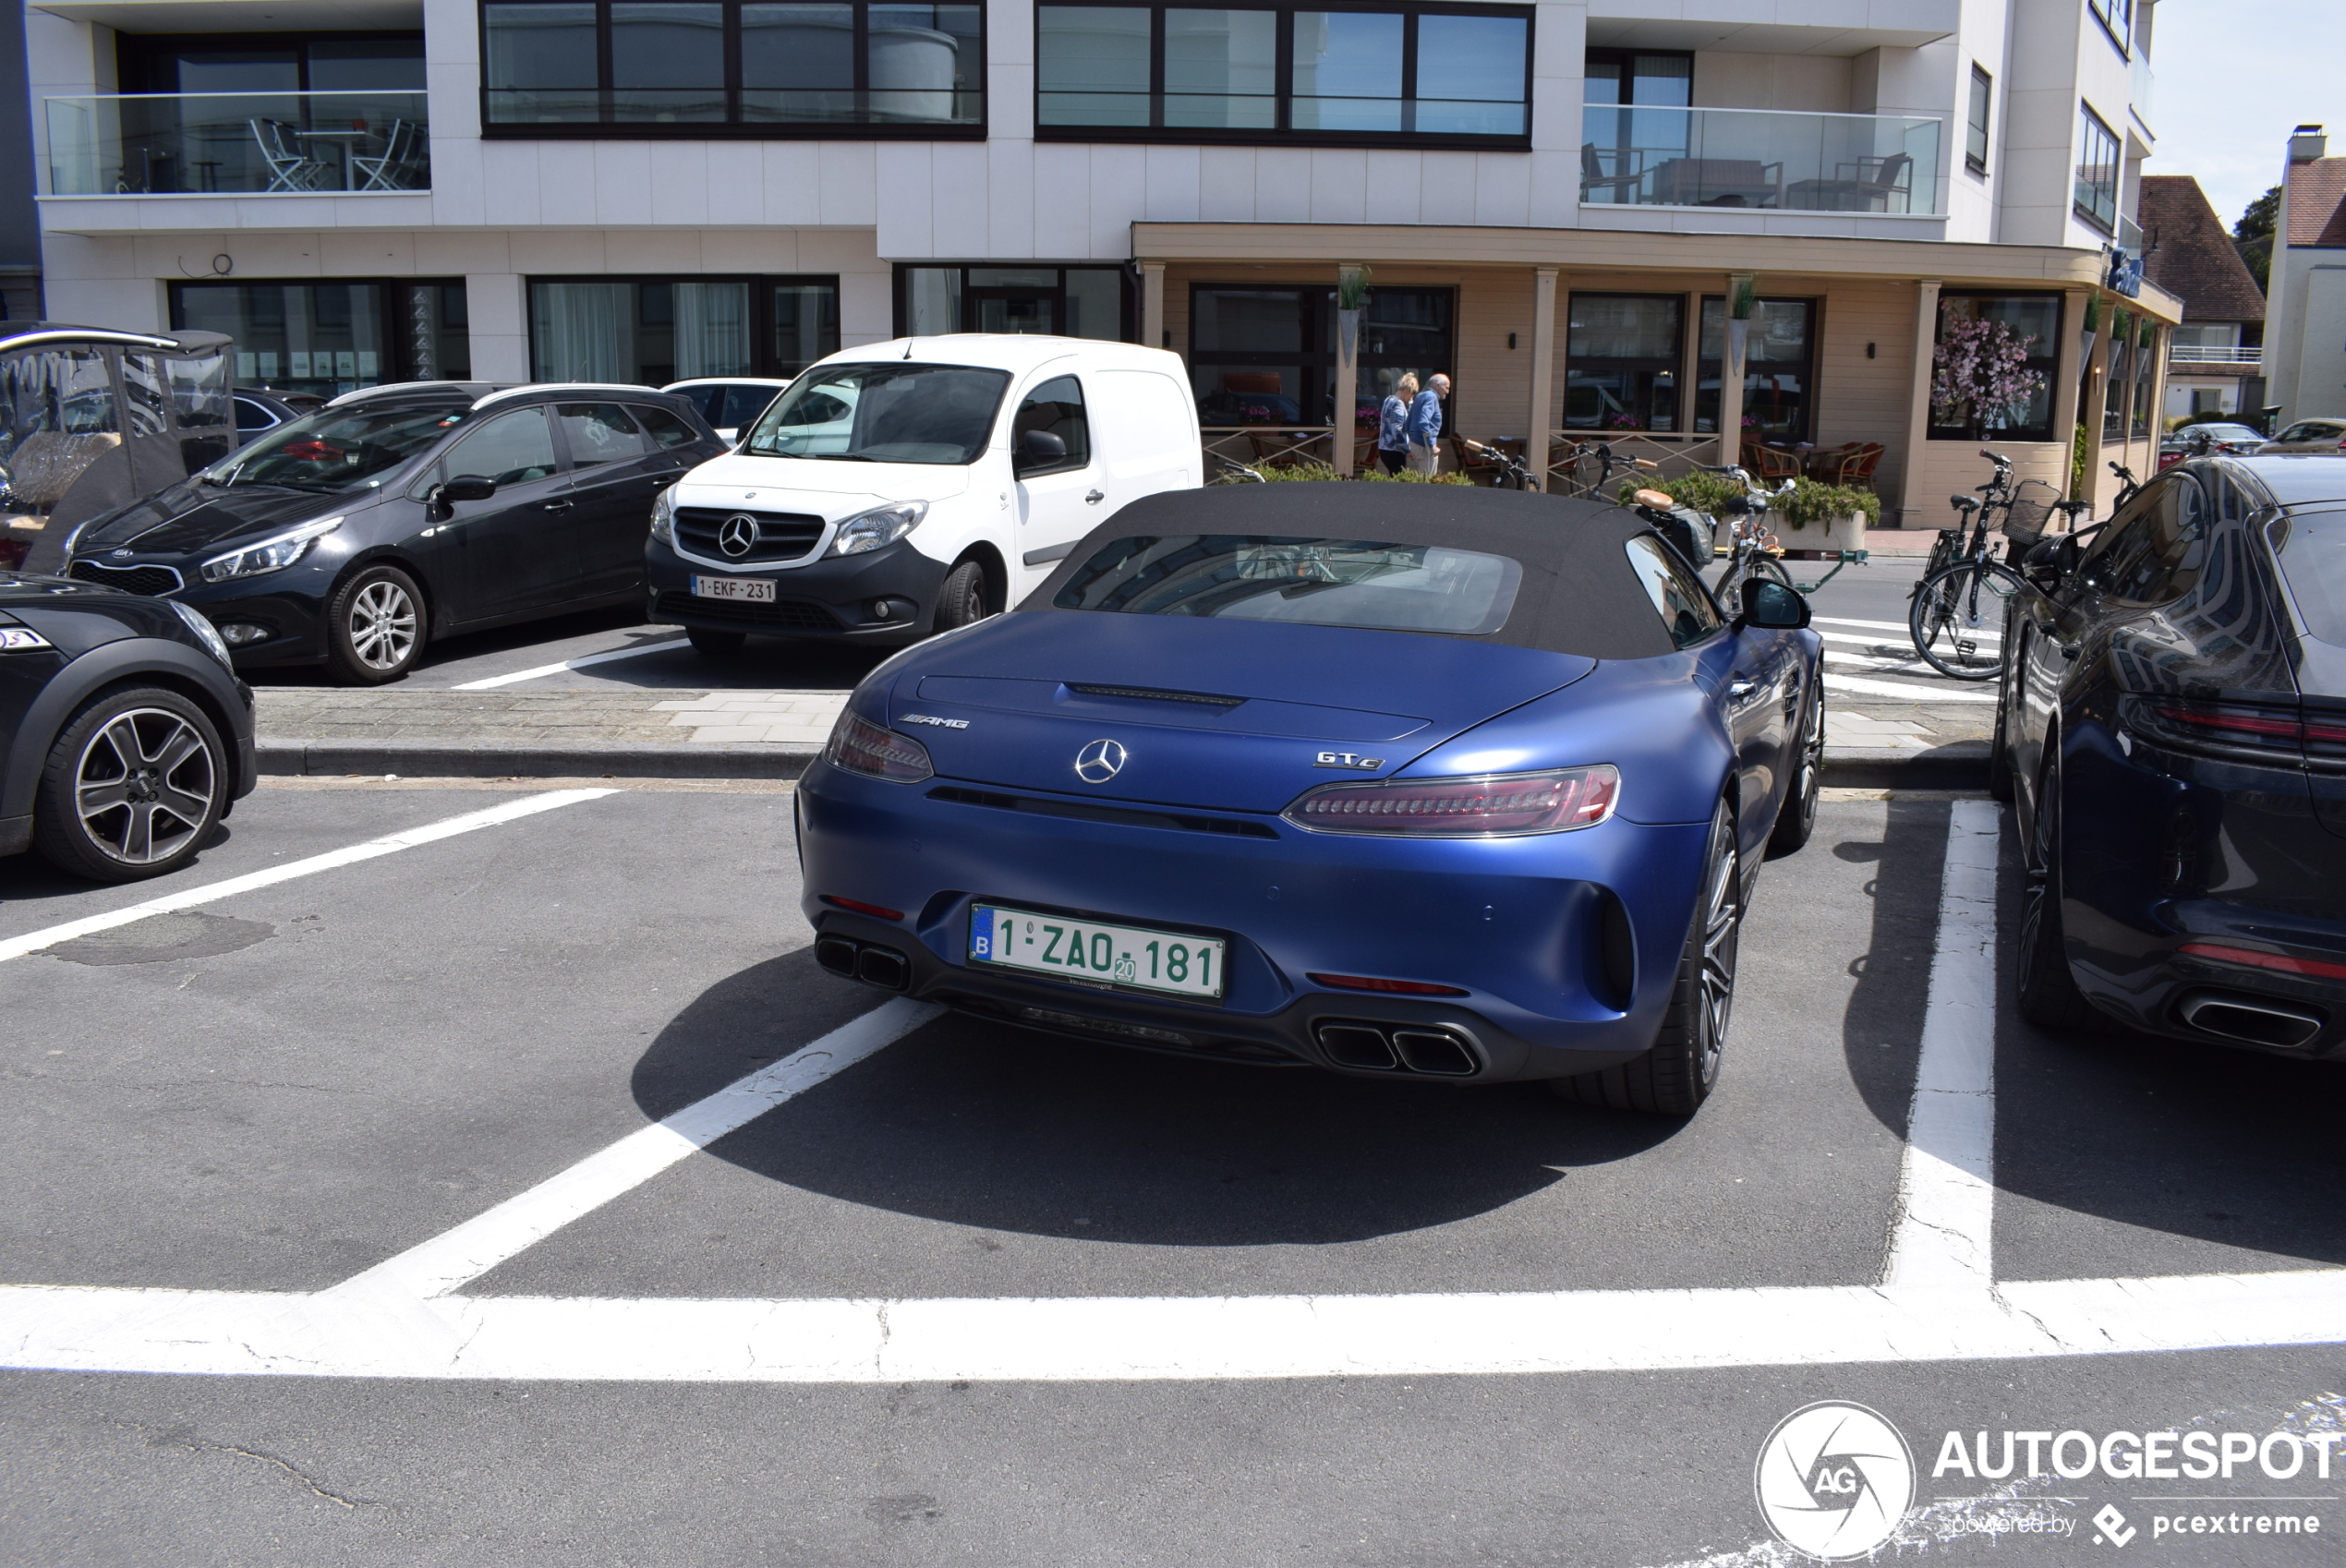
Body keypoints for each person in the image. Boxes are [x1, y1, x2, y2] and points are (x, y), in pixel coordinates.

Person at [1407, 373, 1449, 476]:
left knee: (1423, 479)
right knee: (1429, 482)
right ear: (1437, 386)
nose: (1447, 392)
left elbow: (1408, 422)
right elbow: (1423, 422)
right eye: (1446, 387)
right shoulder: (1431, 397)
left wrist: (1409, 445)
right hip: (1424, 445)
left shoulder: (1420, 396)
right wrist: (1432, 445)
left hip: (1415, 443)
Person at [1376, 374, 1416, 475]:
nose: (1412, 397)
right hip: (1394, 450)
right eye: (1413, 393)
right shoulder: (1398, 404)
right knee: (1400, 482)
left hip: (1384, 448)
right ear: (1408, 390)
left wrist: (1408, 405)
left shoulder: (1388, 400)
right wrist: (1407, 450)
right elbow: (1397, 431)